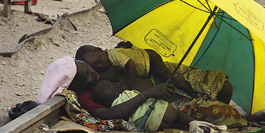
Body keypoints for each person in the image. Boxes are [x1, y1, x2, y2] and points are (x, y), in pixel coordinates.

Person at [75, 43, 234, 104]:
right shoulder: (103, 69)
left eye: (98, 63)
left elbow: (130, 64)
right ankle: (197, 96)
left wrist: (127, 83)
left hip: (153, 64)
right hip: (155, 80)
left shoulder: (114, 56)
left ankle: (194, 93)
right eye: (96, 68)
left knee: (223, 87)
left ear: (99, 50)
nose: (100, 68)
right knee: (222, 89)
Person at [92, 80, 195, 132]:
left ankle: (183, 127)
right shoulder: (127, 94)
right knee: (178, 116)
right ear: (118, 88)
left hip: (153, 125)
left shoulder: (114, 109)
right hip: (166, 112)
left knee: (172, 125)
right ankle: (196, 124)